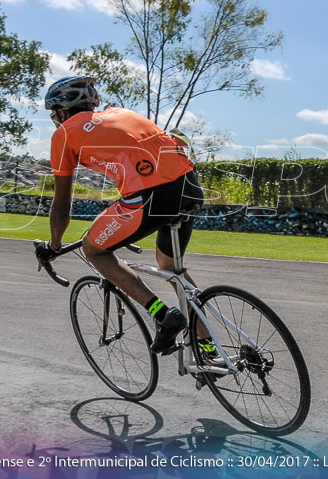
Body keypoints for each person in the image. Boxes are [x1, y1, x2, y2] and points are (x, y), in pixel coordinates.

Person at [35, 76, 206, 356]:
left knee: (95, 249)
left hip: (149, 197)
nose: (56, 120)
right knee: (171, 267)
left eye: (54, 114)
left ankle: (162, 314)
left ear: (62, 111)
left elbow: (62, 201)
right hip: (189, 187)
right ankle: (209, 347)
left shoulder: (64, 134)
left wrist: (54, 246)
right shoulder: (122, 113)